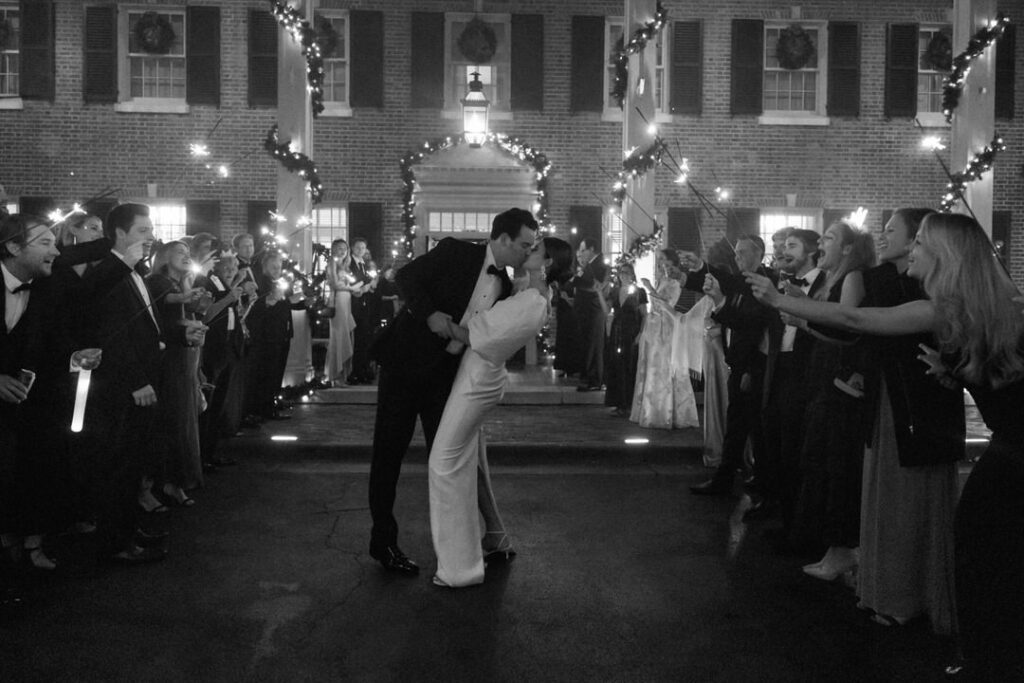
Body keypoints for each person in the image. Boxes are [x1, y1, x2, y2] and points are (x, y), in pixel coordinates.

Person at [746, 213, 1024, 679]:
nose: (910, 246)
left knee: (985, 557)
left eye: (920, 240)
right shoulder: (966, 308)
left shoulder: (966, 309)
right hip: (1009, 453)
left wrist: (780, 300)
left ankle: (992, 658)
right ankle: (988, 655)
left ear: (946, 254)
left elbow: (855, 317)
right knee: (986, 557)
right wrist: (953, 368)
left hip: (1014, 458)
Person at [367, 208, 538, 574]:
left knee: (451, 458)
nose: (527, 251)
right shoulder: (456, 252)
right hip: (404, 366)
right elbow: (406, 277)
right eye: (524, 244)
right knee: (388, 454)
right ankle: (383, 541)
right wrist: (428, 314)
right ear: (503, 239)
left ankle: (469, 543)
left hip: (445, 378)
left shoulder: (506, 286)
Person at [429, 237, 573, 588]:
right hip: (480, 373)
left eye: (534, 250)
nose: (527, 252)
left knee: (443, 463)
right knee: (465, 458)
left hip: (478, 378)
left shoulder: (531, 302)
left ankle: (460, 568)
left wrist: (442, 324)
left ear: (547, 263)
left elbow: (480, 336)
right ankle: (494, 534)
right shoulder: (532, 295)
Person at [853, 209, 963, 634]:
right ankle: (882, 588)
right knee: (883, 496)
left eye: (892, 232)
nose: (882, 237)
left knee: (912, 503)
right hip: (887, 396)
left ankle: (909, 594)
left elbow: (857, 322)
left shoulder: (932, 292)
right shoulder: (881, 279)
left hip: (921, 405)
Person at [85, 203, 205, 564]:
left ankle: (129, 529)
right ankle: (116, 542)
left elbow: (146, 327)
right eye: (142, 231)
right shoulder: (107, 274)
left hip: (147, 377)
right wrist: (136, 380)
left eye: (151, 231)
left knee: (135, 463)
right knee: (119, 468)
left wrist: (183, 335)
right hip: (124, 386)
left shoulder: (136, 271)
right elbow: (111, 334)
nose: (151, 237)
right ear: (120, 234)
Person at [790, 222, 875, 580]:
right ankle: (830, 548)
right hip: (821, 377)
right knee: (819, 461)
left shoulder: (853, 278)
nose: (820, 242)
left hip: (840, 383)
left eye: (828, 238)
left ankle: (843, 550)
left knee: (837, 465)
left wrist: (802, 319)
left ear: (847, 248)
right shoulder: (829, 279)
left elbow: (848, 330)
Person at [682, 235, 776, 495]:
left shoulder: (765, 283)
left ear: (760, 254)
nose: (738, 258)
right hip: (739, 364)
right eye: (736, 253)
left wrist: (748, 371)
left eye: (743, 253)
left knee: (748, 426)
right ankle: (738, 478)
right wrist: (699, 267)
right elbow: (725, 279)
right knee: (739, 425)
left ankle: (750, 480)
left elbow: (753, 325)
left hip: (752, 367)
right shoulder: (742, 280)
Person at [752, 229, 826, 539]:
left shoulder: (826, 284)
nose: (783, 250)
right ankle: (785, 520)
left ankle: (802, 529)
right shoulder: (780, 282)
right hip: (780, 368)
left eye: (791, 246)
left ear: (811, 252)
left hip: (807, 372)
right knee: (778, 446)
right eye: (782, 245)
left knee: (799, 451)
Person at [146, 240, 206, 507]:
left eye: (187, 253)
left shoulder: (181, 283)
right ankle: (167, 481)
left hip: (185, 354)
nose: (185, 255)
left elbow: (190, 309)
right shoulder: (157, 281)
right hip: (167, 358)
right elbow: (166, 300)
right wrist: (185, 296)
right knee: (173, 419)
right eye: (179, 252)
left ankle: (179, 479)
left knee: (185, 417)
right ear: (164, 257)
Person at [630, 249, 699, 429]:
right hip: (655, 329)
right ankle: (653, 410)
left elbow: (669, 307)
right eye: (660, 261)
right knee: (653, 368)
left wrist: (650, 289)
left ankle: (668, 412)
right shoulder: (662, 280)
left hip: (667, 331)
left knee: (664, 369)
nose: (662, 265)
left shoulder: (675, 283)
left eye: (665, 261)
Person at [195, 251, 246, 470]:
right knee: (209, 404)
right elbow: (204, 315)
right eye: (226, 266)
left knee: (219, 404)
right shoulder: (206, 282)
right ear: (216, 267)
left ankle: (211, 452)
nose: (231, 269)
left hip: (228, 349)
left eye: (234, 266)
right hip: (213, 351)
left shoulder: (228, 287)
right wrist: (229, 299)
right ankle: (201, 455)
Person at [603, 263, 646, 416]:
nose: (624, 275)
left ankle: (629, 403)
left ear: (632, 275)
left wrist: (641, 333)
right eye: (621, 272)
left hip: (631, 330)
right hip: (617, 330)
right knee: (617, 365)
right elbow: (607, 310)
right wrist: (598, 293)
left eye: (627, 272)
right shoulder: (615, 291)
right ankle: (618, 402)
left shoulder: (639, 292)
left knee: (629, 366)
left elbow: (644, 315)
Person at [573, 238, 608, 392]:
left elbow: (595, 286)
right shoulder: (587, 266)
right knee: (587, 343)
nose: (581, 253)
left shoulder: (600, 265)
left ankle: (594, 379)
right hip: (585, 309)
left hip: (594, 309)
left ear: (592, 249)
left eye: (583, 249)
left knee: (594, 344)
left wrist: (576, 280)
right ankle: (588, 377)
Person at [323, 238, 357, 386]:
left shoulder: (345, 265)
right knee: (339, 336)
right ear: (333, 250)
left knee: (348, 334)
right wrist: (350, 288)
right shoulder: (332, 263)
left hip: (347, 300)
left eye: (345, 248)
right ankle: (336, 375)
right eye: (339, 248)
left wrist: (356, 290)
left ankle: (344, 373)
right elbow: (335, 284)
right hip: (338, 301)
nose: (342, 251)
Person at [347, 238, 377, 385]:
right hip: (354, 305)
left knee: (364, 338)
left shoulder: (363, 264)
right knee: (358, 339)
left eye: (363, 248)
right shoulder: (350, 264)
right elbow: (351, 283)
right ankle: (355, 371)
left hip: (364, 305)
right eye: (358, 247)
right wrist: (363, 287)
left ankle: (362, 370)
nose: (361, 250)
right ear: (352, 248)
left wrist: (371, 285)